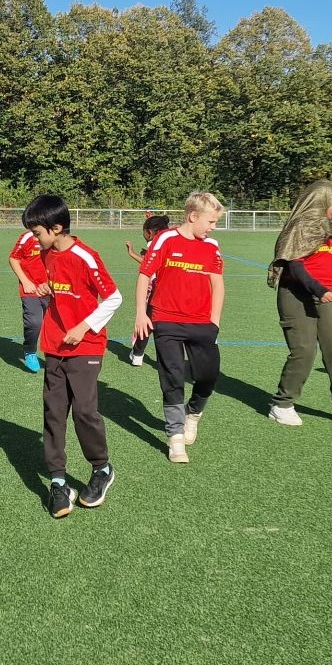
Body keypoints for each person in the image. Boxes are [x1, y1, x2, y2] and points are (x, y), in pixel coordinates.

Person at [24, 193, 122, 517]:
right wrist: (46, 290)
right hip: (54, 345)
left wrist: (83, 327)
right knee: (53, 413)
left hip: (86, 346)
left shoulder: (86, 256)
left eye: (37, 232)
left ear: (56, 227)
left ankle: (102, 469)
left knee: (84, 411)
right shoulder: (46, 254)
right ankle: (58, 482)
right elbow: (58, 289)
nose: (34, 239)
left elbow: (114, 298)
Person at [132, 194, 224, 464]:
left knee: (208, 376)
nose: (213, 227)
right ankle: (175, 437)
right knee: (172, 376)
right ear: (193, 216)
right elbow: (144, 275)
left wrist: (215, 321)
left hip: (202, 322)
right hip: (166, 319)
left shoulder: (211, 246)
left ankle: (192, 414)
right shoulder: (165, 239)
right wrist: (141, 313)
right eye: (211, 221)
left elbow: (217, 284)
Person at [266, 180, 332, 426]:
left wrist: (328, 290)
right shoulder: (300, 226)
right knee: (304, 350)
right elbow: (294, 265)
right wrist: (318, 289)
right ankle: (282, 404)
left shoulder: (327, 226)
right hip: (296, 295)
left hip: (329, 295)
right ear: (323, 200)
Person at [123, 214, 170, 365]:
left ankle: (138, 354)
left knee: (146, 321)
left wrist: (132, 253)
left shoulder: (154, 244)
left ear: (149, 232)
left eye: (143, 231)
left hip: (155, 287)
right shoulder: (172, 242)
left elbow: (147, 265)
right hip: (170, 289)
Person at [8, 222, 51, 373]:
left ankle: (53, 356)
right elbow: (13, 258)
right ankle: (30, 351)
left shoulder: (55, 235)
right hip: (30, 289)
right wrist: (25, 282)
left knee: (54, 325)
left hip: (51, 288)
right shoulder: (27, 237)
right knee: (34, 322)